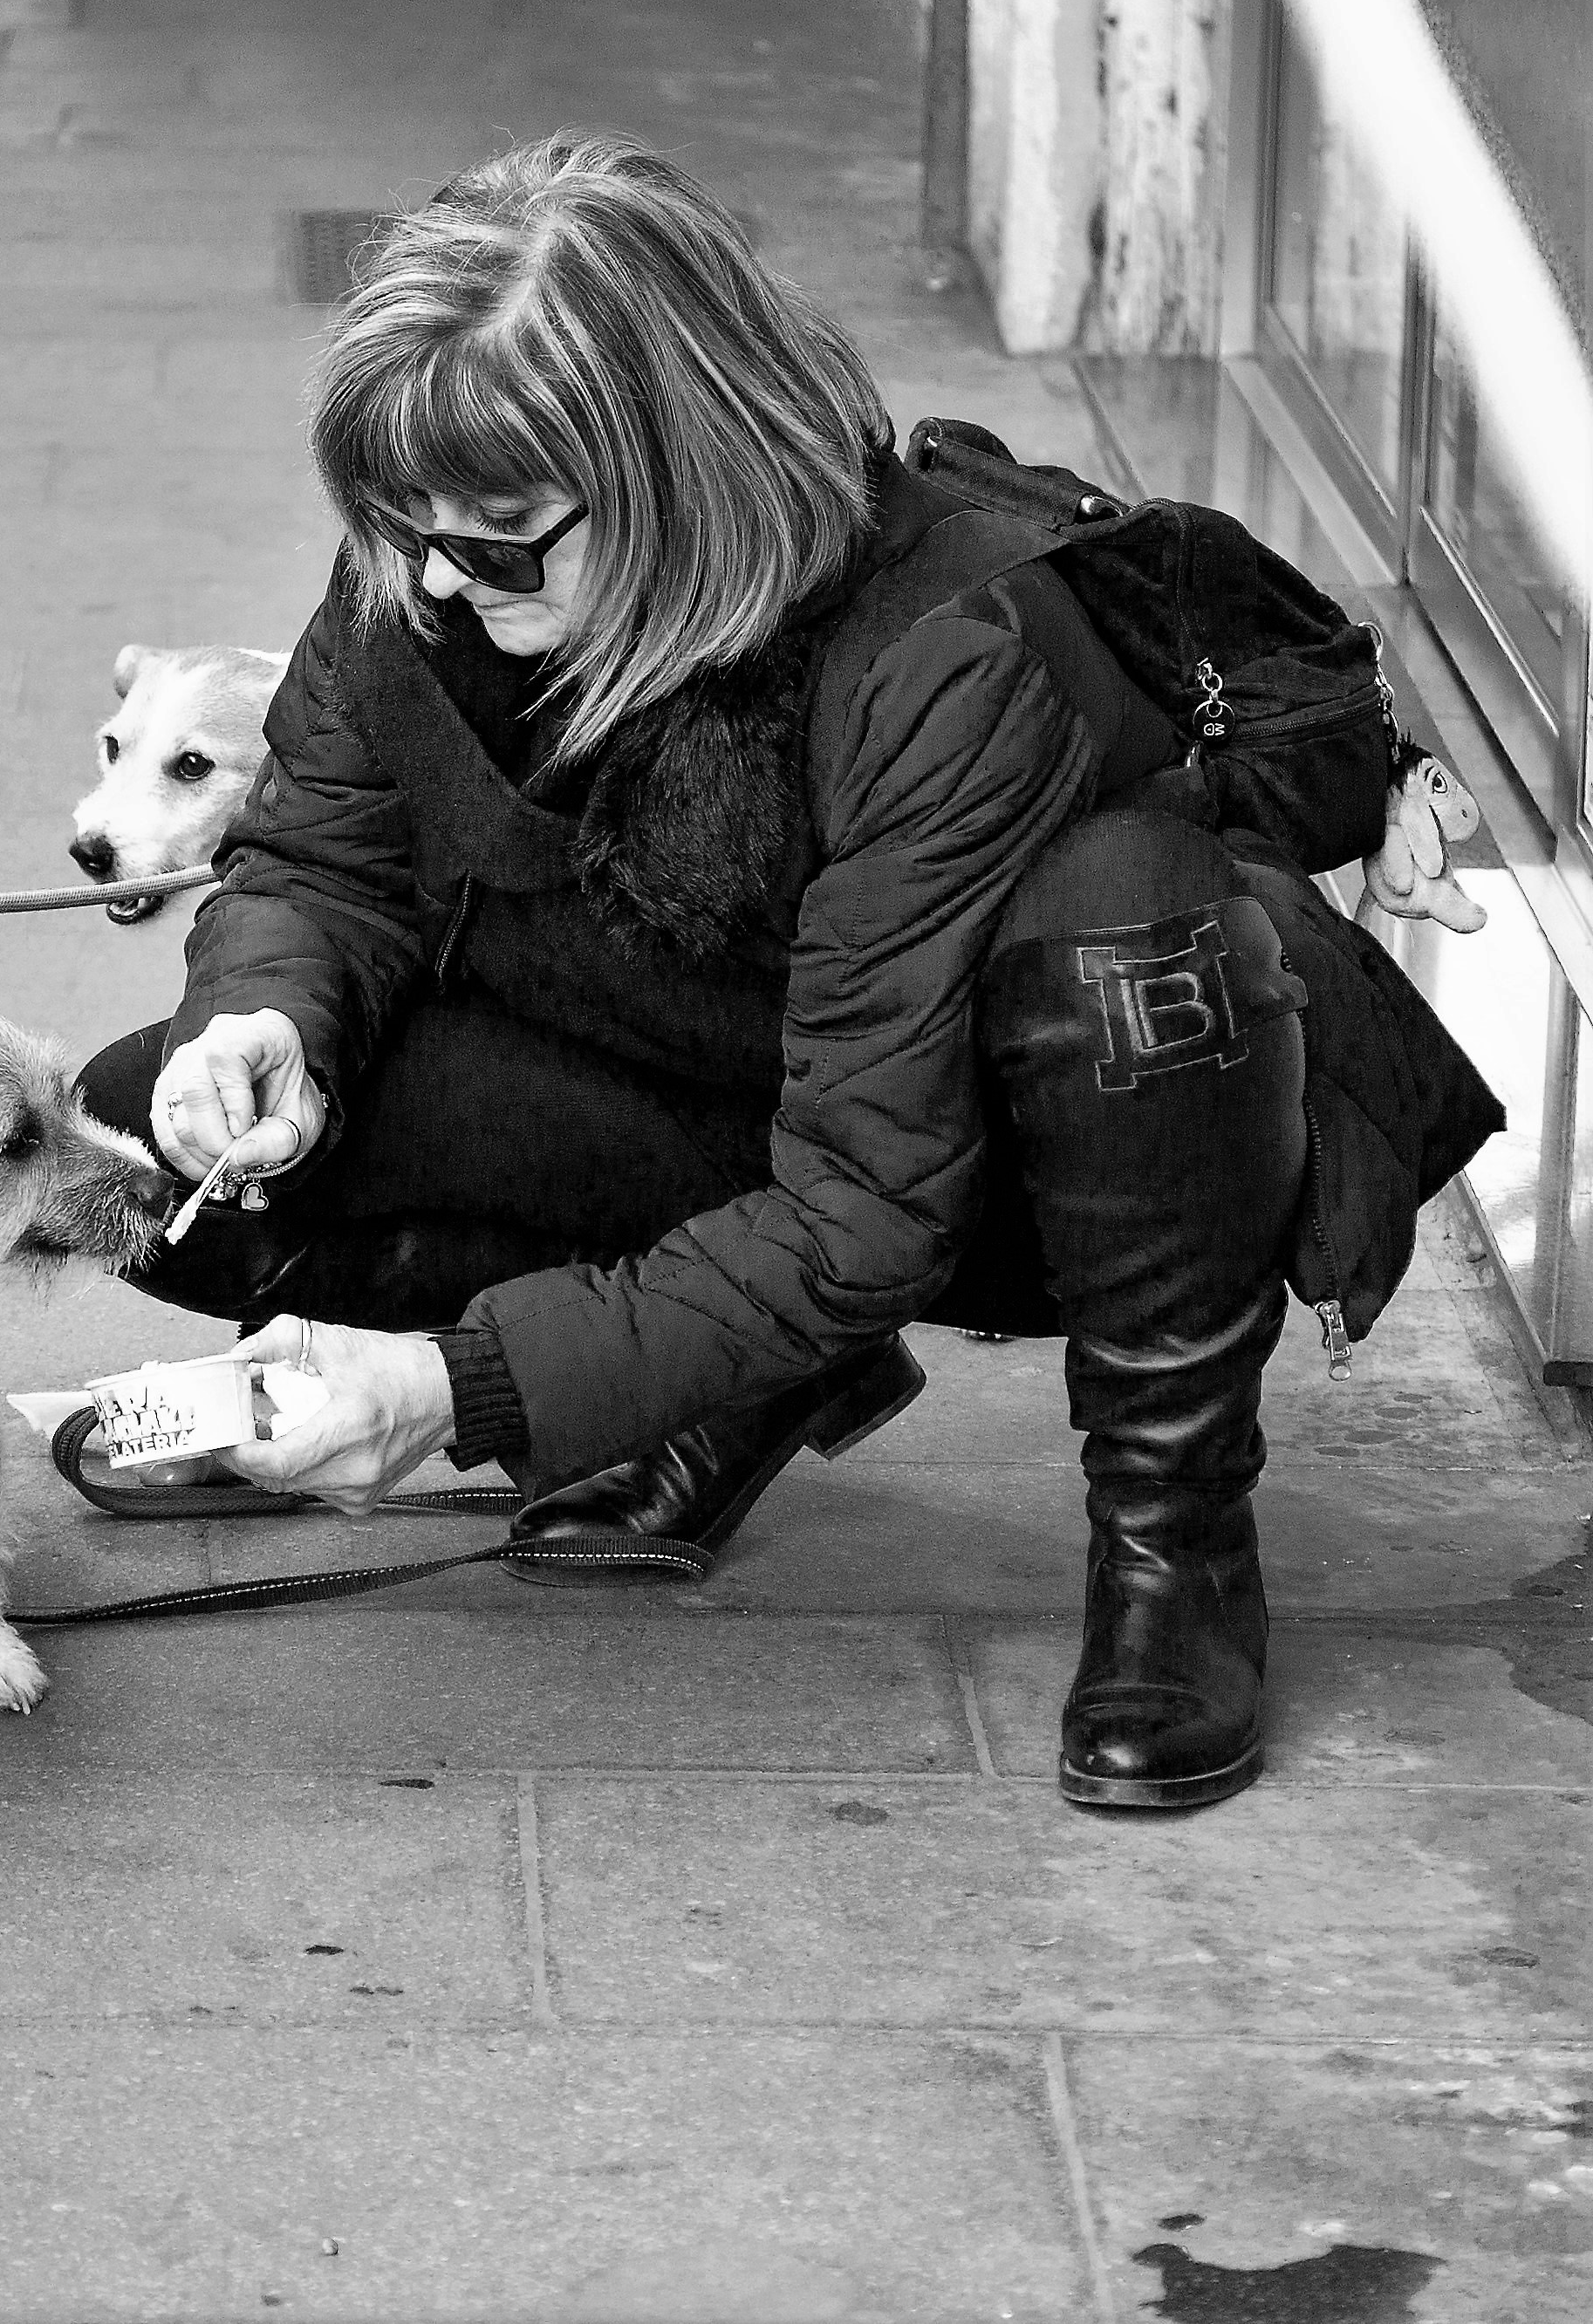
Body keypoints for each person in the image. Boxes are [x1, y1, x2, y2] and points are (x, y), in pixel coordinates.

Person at [83, 133, 1497, 1814]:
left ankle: (1175, 1543)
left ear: (678, 475)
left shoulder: (935, 646)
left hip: (1030, 1155)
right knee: (155, 1154)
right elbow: (319, 854)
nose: (445, 575)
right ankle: (748, 1355)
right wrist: (266, 1015)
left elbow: (869, 1201)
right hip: (761, 1072)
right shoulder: (432, 549)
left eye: (507, 543)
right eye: (404, 526)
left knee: (1125, 920)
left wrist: (459, 1388)